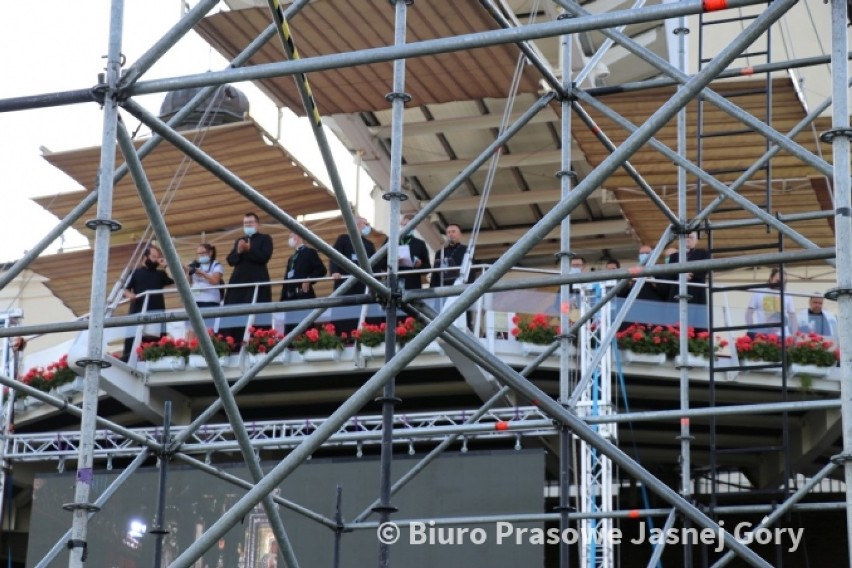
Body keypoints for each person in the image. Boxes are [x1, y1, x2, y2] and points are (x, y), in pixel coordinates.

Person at [221, 213, 273, 341]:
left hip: (257, 281)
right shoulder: (240, 240)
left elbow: (264, 257)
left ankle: (258, 342)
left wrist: (249, 249)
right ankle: (231, 342)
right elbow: (230, 260)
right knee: (234, 312)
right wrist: (239, 251)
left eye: (250, 223)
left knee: (256, 314)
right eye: (245, 223)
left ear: (257, 224)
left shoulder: (265, 238)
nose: (248, 225)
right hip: (238, 284)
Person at [121, 245, 174, 361]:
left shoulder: (160, 274)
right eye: (154, 256)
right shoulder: (135, 272)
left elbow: (174, 279)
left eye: (158, 257)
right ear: (145, 257)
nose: (156, 259)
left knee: (154, 342)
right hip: (138, 312)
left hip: (156, 312)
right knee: (135, 341)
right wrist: (129, 294)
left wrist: (165, 265)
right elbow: (123, 288)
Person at [378, 213, 431, 291]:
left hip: (412, 284)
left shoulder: (420, 244)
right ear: (400, 225)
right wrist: (392, 262)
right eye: (404, 225)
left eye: (409, 226)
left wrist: (420, 265)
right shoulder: (390, 241)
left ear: (415, 226)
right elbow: (379, 262)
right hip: (393, 282)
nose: (406, 228)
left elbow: (427, 267)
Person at [329, 215, 376, 295]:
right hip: (345, 282)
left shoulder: (369, 244)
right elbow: (334, 256)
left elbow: (375, 263)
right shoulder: (343, 239)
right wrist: (334, 271)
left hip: (364, 284)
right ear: (356, 225)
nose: (368, 226)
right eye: (365, 224)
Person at [745, 268, 797, 337]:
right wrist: (751, 330)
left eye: (783, 282)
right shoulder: (759, 292)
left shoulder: (787, 295)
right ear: (771, 278)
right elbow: (749, 313)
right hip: (764, 334)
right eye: (777, 281)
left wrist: (794, 334)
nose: (780, 284)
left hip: (784, 335)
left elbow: (792, 316)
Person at [187, 243, 224, 335]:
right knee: (192, 328)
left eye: (203, 253)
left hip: (210, 300)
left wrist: (203, 274)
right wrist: (188, 271)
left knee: (208, 329)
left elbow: (215, 280)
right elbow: (187, 283)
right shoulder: (196, 264)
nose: (201, 255)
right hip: (195, 300)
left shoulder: (216, 265)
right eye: (199, 253)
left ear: (210, 252)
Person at [280, 230, 327, 301]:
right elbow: (286, 280)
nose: (289, 239)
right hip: (289, 298)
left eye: (291, 236)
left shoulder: (309, 252)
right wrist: (282, 299)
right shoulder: (291, 259)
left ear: (298, 236)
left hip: (304, 295)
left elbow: (321, 270)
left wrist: (309, 279)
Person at [666, 232, 710, 305]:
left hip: (695, 291)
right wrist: (681, 275)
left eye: (691, 237)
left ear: (696, 241)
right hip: (676, 291)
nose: (688, 239)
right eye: (686, 237)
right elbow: (669, 273)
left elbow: (704, 269)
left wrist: (688, 275)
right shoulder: (674, 256)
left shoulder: (703, 253)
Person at [430, 223, 468, 288]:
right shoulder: (440, 252)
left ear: (460, 235)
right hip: (441, 286)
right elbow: (435, 274)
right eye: (448, 232)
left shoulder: (466, 250)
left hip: (458, 285)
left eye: (453, 232)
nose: (450, 234)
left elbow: (469, 271)